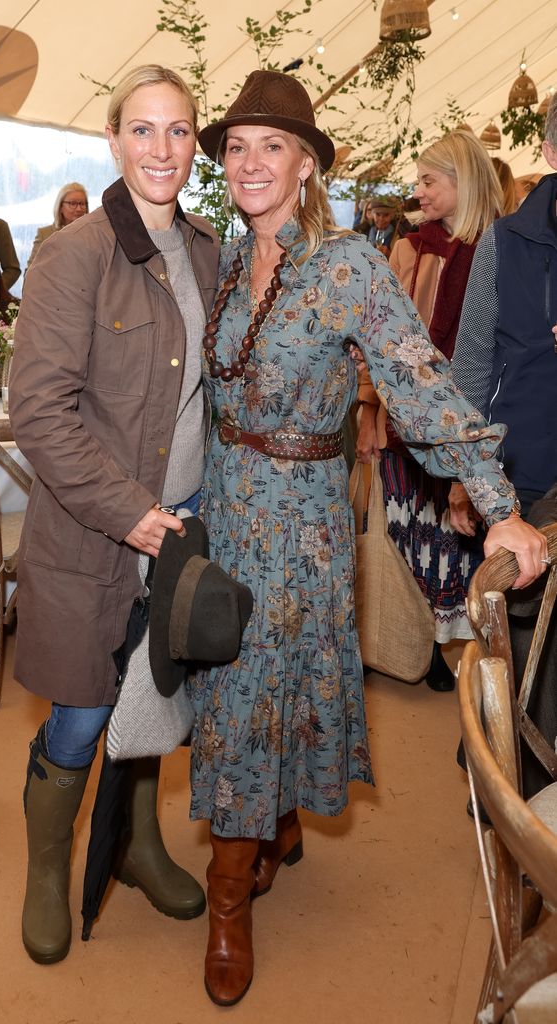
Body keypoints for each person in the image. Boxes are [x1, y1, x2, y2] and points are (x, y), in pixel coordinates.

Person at [192, 70, 546, 1006]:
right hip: (227, 508)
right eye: (237, 147)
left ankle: (230, 894)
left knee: (256, 689)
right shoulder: (231, 259)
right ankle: (272, 828)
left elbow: (422, 385)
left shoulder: (348, 265)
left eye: (274, 146)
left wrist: (496, 499)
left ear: (307, 166)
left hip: (302, 521)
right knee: (242, 679)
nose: (251, 162)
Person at [9, 64, 220, 966]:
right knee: (83, 715)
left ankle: (136, 845)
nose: (161, 149)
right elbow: (39, 414)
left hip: (186, 523)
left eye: (178, 132)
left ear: (195, 144)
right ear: (113, 139)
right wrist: (132, 514)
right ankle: (47, 871)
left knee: (155, 701)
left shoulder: (210, 249)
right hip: (93, 535)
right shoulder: (76, 255)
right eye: (144, 130)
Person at [355, 130, 503, 690]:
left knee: (455, 534)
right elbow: (378, 340)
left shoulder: (495, 247)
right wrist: (370, 411)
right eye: (417, 180)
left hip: (466, 421)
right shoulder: (407, 247)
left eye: (428, 180)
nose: (418, 191)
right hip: (405, 422)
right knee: (405, 529)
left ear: (462, 182)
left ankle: (447, 640)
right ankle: (413, 640)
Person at [452, 94, 557, 520]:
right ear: (551, 152)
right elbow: (473, 363)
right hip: (520, 474)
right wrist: (466, 475)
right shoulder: (504, 241)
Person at [26, 182, 89, 268]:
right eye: (73, 204)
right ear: (60, 207)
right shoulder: (45, 234)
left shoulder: (92, 234)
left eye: (82, 204)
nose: (79, 209)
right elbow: (30, 272)